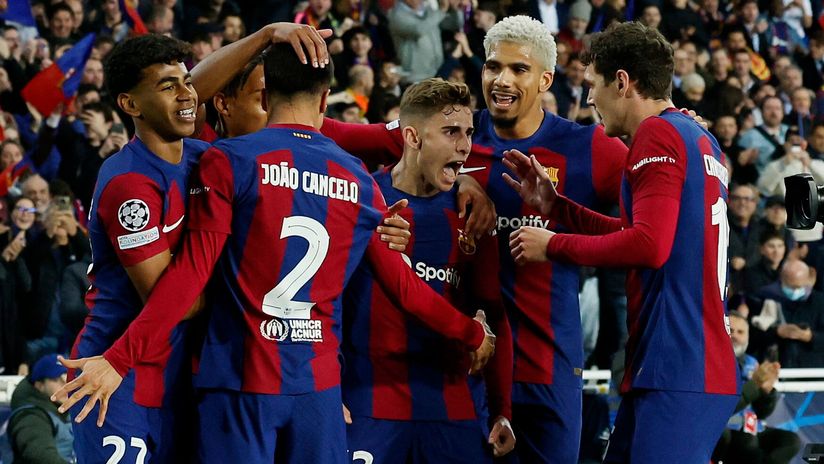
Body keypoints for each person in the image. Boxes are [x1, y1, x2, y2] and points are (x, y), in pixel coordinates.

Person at [53, 42, 495, 464]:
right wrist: (473, 334)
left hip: (239, 380)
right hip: (315, 385)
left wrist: (118, 358)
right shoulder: (358, 179)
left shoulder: (224, 160)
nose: (189, 95)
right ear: (325, 100)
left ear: (267, 96)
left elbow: (186, 279)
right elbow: (404, 286)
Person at [318, 15, 629, 463]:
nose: (500, 80)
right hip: (462, 368)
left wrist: (679, 125)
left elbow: (657, 205)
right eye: (491, 66)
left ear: (545, 79)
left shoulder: (589, 148)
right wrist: (460, 175)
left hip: (546, 362)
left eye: (518, 70)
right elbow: (327, 133)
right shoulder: (449, 131)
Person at [54, 25, 331, 463]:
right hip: (116, 379)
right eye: (168, 87)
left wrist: (264, 37)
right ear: (129, 105)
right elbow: (174, 302)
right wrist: (246, 288)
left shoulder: (205, 157)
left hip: (182, 376)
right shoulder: (132, 186)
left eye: (188, 83)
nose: (187, 95)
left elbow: (196, 91)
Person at [503, 22, 739, 463]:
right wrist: (558, 210)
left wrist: (552, 245)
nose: (589, 98)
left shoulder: (658, 134)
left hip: (678, 364)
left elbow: (649, 247)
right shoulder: (699, 138)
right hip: (681, 362)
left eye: (593, 85)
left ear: (623, 82)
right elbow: (639, 237)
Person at [342, 78, 515, 462]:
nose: (465, 145)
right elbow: (329, 303)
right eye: (451, 131)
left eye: (468, 133)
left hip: (452, 407)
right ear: (413, 138)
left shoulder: (474, 213)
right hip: (371, 402)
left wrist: (503, 409)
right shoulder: (364, 201)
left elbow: (493, 312)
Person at [713, 312, 801, 464]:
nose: (735, 336)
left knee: (790, 441)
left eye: (740, 332)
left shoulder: (752, 363)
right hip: (721, 428)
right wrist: (755, 385)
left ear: (748, 337)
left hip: (750, 426)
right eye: (730, 330)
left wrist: (767, 392)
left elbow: (762, 413)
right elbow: (722, 408)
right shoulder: (711, 362)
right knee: (747, 443)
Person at [6, 353, 74, 464]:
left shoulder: (68, 407)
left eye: (69, 377)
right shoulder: (30, 417)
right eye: (58, 379)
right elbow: (41, 457)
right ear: (39, 385)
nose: (67, 385)